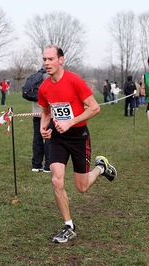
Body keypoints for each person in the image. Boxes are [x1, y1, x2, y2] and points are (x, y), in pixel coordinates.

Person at [38, 45, 117, 243]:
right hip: (57, 137)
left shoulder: (74, 81)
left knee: (81, 187)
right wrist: (43, 127)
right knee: (57, 180)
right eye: (44, 59)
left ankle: (101, 167)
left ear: (61, 60)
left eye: (50, 59)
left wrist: (70, 122)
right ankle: (69, 226)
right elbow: (46, 111)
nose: (47, 63)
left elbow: (95, 108)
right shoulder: (44, 87)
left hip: (79, 136)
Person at [32, 69, 51, 173]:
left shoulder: (36, 77)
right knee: (48, 138)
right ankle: (48, 165)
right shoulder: (50, 77)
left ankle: (36, 164)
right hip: (48, 113)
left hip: (36, 112)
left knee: (37, 138)